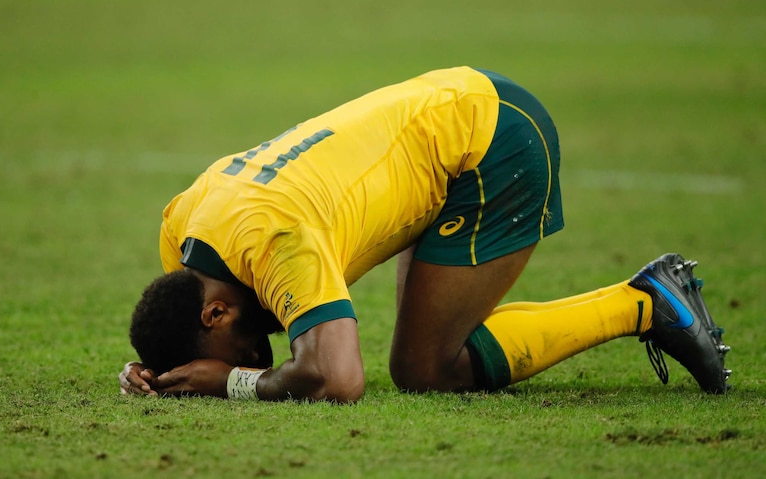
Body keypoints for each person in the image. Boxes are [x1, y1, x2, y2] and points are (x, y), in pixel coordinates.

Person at [118, 66, 731, 402]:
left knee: (429, 369)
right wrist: (155, 369)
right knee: (418, 366)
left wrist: (233, 382)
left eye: (235, 352)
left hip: (493, 142)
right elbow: (183, 324)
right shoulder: (183, 231)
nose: (256, 356)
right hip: (447, 114)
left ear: (218, 313)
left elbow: (337, 379)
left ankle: (647, 303)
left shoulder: (277, 239)